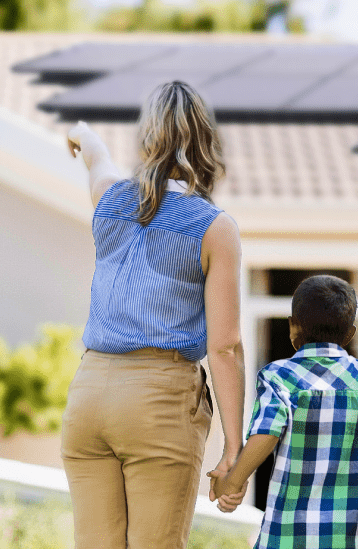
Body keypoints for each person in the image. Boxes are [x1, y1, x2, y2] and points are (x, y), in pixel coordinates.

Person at [61, 81, 246, 549]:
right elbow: (225, 347)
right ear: (206, 144)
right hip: (158, 400)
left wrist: (84, 135)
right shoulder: (213, 228)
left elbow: (98, 161)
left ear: (146, 141)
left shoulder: (110, 202)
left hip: (89, 395)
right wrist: (234, 448)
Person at [210, 275, 358, 549]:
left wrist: (233, 481)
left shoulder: (279, 378)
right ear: (350, 334)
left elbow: (266, 433)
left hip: (286, 539)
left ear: (292, 328)